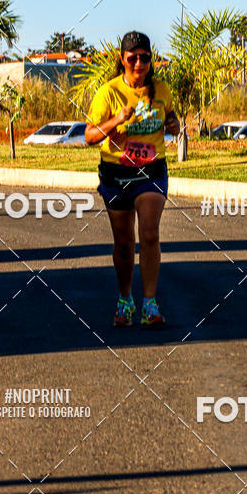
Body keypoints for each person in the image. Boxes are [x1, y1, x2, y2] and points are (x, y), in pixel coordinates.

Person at [85, 31, 180, 327]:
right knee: (124, 242)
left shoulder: (161, 90)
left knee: (149, 233)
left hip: (151, 169)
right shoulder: (108, 93)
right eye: (133, 58)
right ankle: (125, 299)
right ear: (122, 59)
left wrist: (174, 125)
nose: (139, 64)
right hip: (116, 171)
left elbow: (172, 118)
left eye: (145, 57)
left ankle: (150, 303)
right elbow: (89, 136)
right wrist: (117, 120)